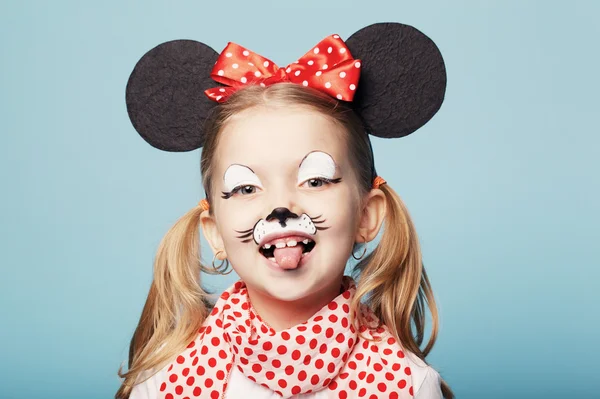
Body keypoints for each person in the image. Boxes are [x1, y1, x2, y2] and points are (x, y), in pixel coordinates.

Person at [117, 22, 453, 399]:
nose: (280, 209)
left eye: (315, 180)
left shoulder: (408, 385)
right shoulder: (164, 381)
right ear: (214, 232)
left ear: (366, 215)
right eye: (246, 187)